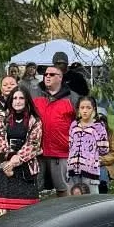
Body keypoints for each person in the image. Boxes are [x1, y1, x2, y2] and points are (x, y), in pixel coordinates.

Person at [0, 87, 44, 217]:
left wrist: (16, 160)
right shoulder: (1, 116)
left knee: (25, 211)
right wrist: (9, 159)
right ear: (10, 100)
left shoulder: (35, 120)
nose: (18, 101)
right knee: (1, 205)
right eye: (15, 98)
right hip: (4, 166)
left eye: (21, 98)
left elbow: (33, 144)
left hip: (25, 167)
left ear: (27, 100)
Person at [32, 64, 80, 196]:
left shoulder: (72, 97)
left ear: (60, 78)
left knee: (64, 189)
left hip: (61, 152)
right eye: (45, 74)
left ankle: (68, 215)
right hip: (38, 151)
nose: (47, 77)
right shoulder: (36, 95)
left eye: (51, 74)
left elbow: (81, 123)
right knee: (35, 189)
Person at [66, 96, 110, 196]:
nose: (85, 111)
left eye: (88, 108)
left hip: (90, 171)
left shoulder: (99, 126)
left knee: (90, 200)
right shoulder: (74, 125)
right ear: (78, 110)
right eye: (82, 108)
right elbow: (71, 144)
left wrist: (90, 156)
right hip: (73, 169)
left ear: (93, 109)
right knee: (72, 199)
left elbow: (104, 149)